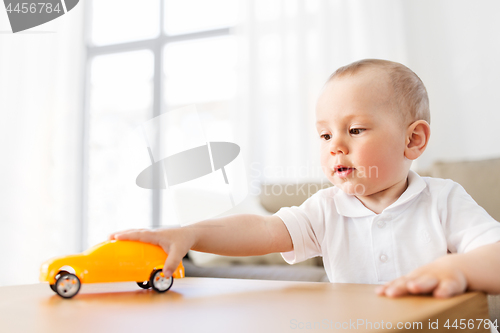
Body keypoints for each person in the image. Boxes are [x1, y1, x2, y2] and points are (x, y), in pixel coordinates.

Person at [110, 59, 500, 299]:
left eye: (357, 130)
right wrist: (192, 234)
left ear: (412, 140)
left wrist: (458, 269)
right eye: (325, 135)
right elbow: (262, 230)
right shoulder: (326, 209)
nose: (335, 146)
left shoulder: (444, 200)